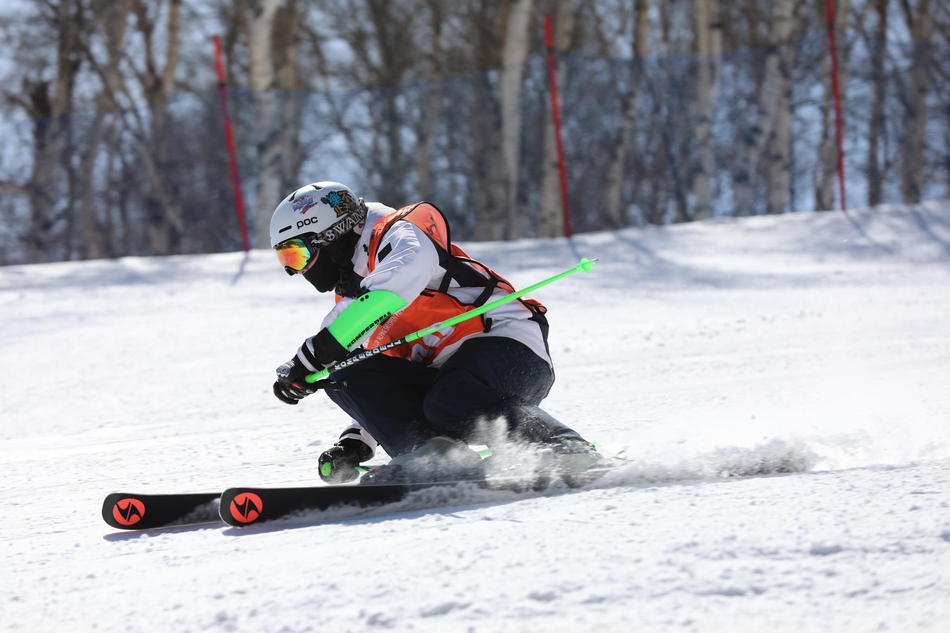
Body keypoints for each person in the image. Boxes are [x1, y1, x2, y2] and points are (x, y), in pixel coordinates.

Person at [269, 181, 600, 484]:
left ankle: (565, 446)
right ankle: (436, 457)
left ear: (331, 234)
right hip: (446, 380)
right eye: (286, 260)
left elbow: (387, 292)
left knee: (448, 396)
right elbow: (384, 383)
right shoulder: (354, 301)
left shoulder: (400, 234)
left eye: (296, 255)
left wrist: (310, 357)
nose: (294, 271)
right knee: (342, 369)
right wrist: (356, 442)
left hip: (511, 350)